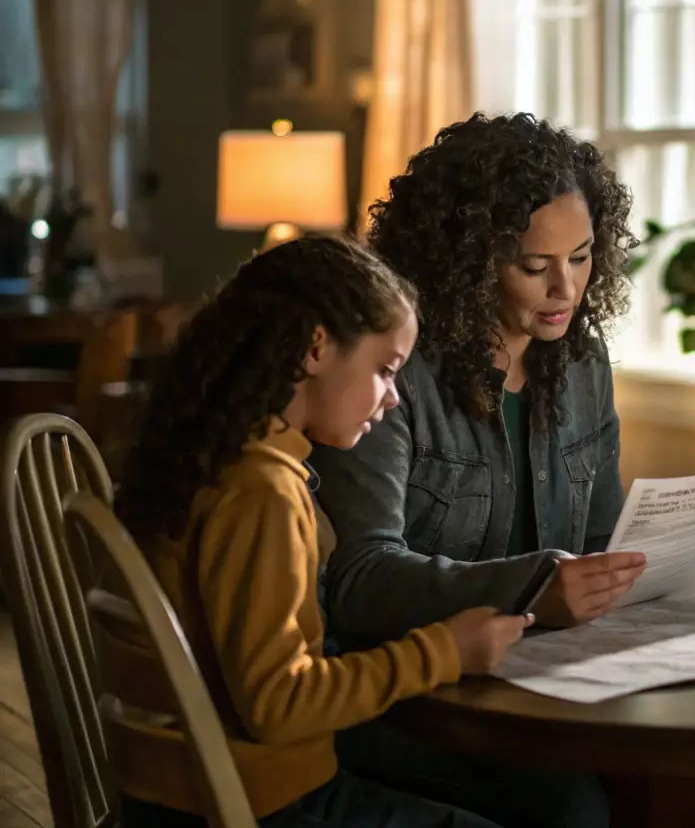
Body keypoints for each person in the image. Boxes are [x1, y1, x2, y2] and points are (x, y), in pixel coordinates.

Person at [110, 237, 530, 828]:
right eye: (385, 371)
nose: (390, 400)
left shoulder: (212, 455)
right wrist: (445, 650)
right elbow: (278, 705)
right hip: (257, 800)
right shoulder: (262, 490)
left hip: (174, 790)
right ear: (315, 346)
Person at [308, 113, 646, 828]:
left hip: (541, 685)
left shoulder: (582, 366)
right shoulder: (394, 378)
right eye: (533, 266)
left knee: (656, 785)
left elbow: (603, 544)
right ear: (464, 261)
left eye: (582, 258)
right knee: (571, 808)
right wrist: (530, 586)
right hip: (410, 697)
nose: (565, 289)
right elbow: (359, 581)